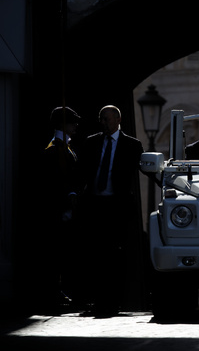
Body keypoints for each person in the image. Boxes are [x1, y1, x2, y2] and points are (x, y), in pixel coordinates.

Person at [79, 105, 145, 316]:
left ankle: (114, 302)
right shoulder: (91, 142)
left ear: (118, 119)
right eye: (101, 119)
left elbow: (143, 173)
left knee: (116, 256)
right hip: (95, 205)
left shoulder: (132, 145)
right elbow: (82, 172)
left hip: (118, 208)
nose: (103, 123)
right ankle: (97, 301)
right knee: (95, 254)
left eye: (106, 119)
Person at [37, 106, 81, 311]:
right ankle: (54, 292)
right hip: (59, 211)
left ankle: (58, 290)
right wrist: (70, 198)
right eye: (72, 122)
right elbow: (59, 180)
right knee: (57, 252)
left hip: (62, 209)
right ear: (64, 124)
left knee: (61, 252)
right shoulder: (56, 149)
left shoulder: (63, 147)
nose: (76, 125)